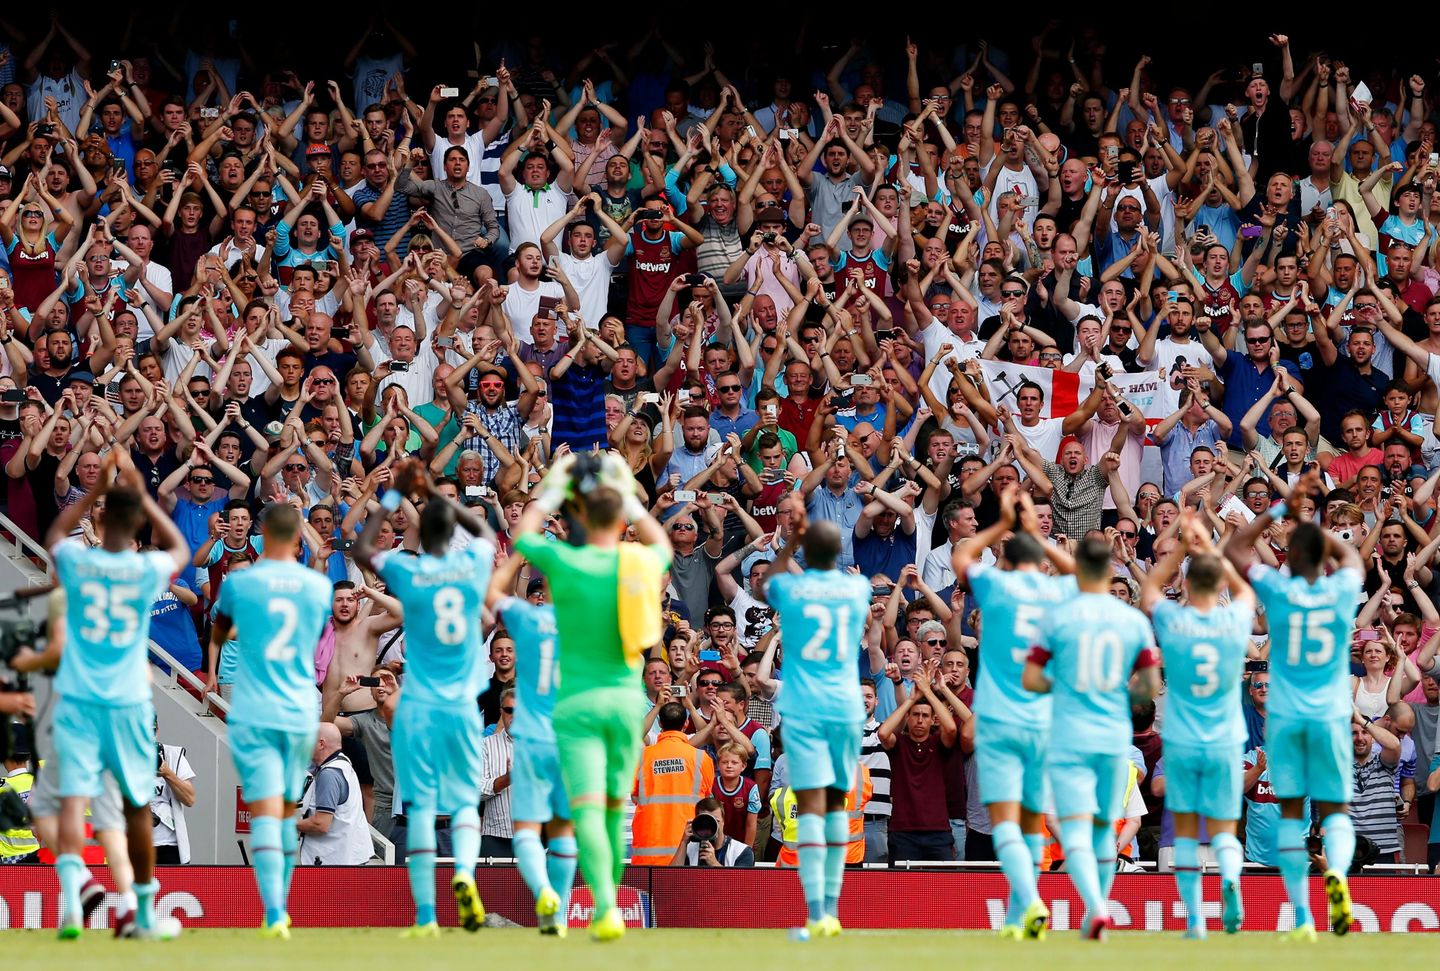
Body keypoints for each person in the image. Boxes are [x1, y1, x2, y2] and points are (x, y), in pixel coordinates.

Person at [508, 451, 671, 942]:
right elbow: (660, 540)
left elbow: (523, 536)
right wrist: (628, 492)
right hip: (626, 703)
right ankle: (608, 902)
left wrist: (555, 486)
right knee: (614, 808)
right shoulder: (638, 559)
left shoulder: (566, 562)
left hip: (576, 707)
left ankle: (605, 909)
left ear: (577, 518)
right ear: (620, 519)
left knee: (585, 809)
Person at [46, 451, 190, 941]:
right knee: (134, 807)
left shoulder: (78, 561)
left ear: (97, 519)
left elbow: (53, 538)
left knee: (70, 802)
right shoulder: (143, 570)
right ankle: (140, 912)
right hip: (128, 701)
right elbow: (179, 549)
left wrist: (90, 493)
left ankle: (77, 891)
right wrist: (141, 495)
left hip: (78, 699)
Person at [354, 459, 496, 936]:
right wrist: (441, 497)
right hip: (461, 708)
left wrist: (395, 495)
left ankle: (428, 916)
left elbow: (359, 547)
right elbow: (486, 538)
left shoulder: (410, 574)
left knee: (415, 807)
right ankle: (464, 877)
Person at [1224, 469, 1364, 940]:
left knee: (1289, 813)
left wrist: (1283, 509)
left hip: (1285, 719)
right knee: (1336, 811)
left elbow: (1233, 550)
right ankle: (1338, 880)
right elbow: (1353, 561)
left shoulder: (1279, 591)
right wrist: (1326, 529)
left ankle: (1303, 917)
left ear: (1290, 558)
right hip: (1328, 715)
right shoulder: (1342, 589)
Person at [1023, 535, 1161, 941]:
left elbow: (1032, 679)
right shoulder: (1133, 621)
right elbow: (1150, 686)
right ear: (1112, 568)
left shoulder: (1058, 618)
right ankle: (1098, 905)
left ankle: (1095, 907)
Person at [953, 486, 1075, 939]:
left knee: (1004, 817)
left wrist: (1003, 525)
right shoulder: (1055, 592)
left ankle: (1030, 902)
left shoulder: (997, 585)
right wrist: (1039, 538)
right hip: (1043, 719)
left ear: (1007, 558)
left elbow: (963, 558)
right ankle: (1017, 912)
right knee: (1030, 817)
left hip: (1000, 717)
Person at [209, 500, 334, 939]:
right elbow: (315, 630)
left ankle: (274, 910)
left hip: (255, 705)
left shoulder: (240, 583)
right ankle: (282, 903)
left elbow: (222, 632)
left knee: (264, 812)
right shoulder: (317, 588)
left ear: (262, 535)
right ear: (298, 537)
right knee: (284, 810)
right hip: (299, 706)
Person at [754, 493, 868, 940]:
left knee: (811, 809)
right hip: (842, 706)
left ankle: (816, 912)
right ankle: (831, 910)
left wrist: (787, 542)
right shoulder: (855, 588)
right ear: (838, 553)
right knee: (835, 804)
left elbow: (765, 587)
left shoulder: (794, 588)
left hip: (802, 707)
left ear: (806, 550)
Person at [1140, 510, 1254, 938]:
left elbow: (1151, 589)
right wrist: (1211, 549)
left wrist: (1183, 548)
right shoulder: (1231, 621)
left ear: (1187, 585)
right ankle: (1229, 881)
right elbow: (1243, 589)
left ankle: (1193, 919)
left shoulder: (1176, 621)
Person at [488, 555, 575, 937]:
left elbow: (492, 594)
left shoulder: (527, 623)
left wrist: (513, 564)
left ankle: (547, 898)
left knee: (525, 831)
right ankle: (559, 914)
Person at [296, 722, 371, 866]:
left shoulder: (329, 774)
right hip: (345, 858)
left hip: (336, 864)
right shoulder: (341, 762)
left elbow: (321, 824)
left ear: (321, 744)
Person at [669, 797, 756, 867]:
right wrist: (683, 842)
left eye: (715, 821)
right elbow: (670, 880)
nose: (710, 827)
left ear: (723, 822)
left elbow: (741, 886)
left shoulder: (741, 851)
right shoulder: (689, 849)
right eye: (705, 823)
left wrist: (714, 863)